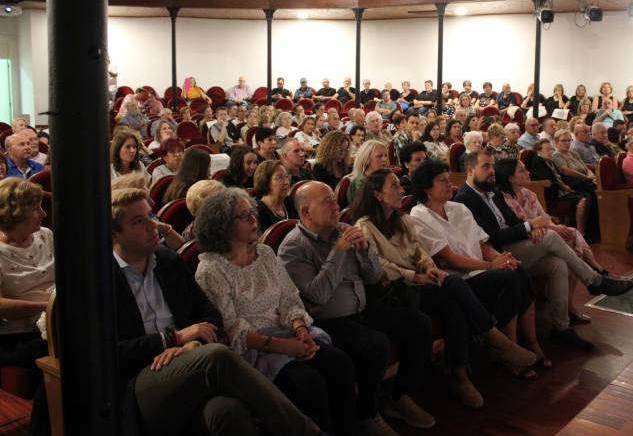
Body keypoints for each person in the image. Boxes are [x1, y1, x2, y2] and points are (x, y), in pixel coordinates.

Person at [110, 187, 320, 436]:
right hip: (141, 381)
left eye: (151, 216)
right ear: (115, 234)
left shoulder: (167, 262)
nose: (153, 226)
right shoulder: (102, 280)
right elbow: (107, 353)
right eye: (138, 221)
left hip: (190, 361)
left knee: (228, 411)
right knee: (218, 356)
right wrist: (173, 338)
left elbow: (209, 315)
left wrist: (192, 345)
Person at [352, 169, 539, 407]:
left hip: (419, 285)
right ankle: (495, 340)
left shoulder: (403, 220)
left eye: (401, 186)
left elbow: (419, 251)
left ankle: (460, 376)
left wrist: (428, 267)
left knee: (453, 305)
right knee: (453, 283)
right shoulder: (365, 226)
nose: (401, 191)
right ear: (377, 195)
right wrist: (416, 275)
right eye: (395, 186)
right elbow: (380, 266)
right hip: (395, 292)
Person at [192, 188, 355, 434]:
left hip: (288, 332)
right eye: (244, 216)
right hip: (254, 349)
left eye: (252, 213)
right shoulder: (211, 270)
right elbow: (232, 329)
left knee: (339, 363)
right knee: (308, 384)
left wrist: (300, 330)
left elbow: (289, 298)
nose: (254, 220)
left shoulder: (265, 253)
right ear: (222, 225)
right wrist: (284, 346)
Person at [279, 181, 435, 434]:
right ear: (306, 212)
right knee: (374, 344)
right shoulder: (293, 247)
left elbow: (373, 278)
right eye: (327, 202)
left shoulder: (345, 229)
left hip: (362, 310)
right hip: (328, 321)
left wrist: (364, 252)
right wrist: (339, 252)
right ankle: (366, 413)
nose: (336, 205)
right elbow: (317, 296)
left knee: (419, 324)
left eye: (334, 199)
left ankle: (398, 395)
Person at [455, 151, 633, 350]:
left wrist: (532, 228)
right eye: (485, 167)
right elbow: (490, 237)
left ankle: (561, 327)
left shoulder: (492, 191)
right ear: (470, 171)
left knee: (557, 265)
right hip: (496, 252)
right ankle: (593, 280)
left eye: (492, 166)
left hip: (515, 243)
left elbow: (512, 221)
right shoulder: (465, 198)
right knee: (551, 237)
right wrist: (529, 227)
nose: (491, 172)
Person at [409, 160, 550, 363]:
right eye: (442, 181)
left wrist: (499, 257)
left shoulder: (458, 208)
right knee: (508, 279)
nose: (450, 184)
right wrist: (491, 265)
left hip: (481, 269)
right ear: (426, 189)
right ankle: (507, 348)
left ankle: (527, 343)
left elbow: (482, 244)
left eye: (449, 180)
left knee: (519, 270)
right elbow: (451, 259)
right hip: (461, 278)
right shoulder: (419, 216)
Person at [494, 159, 608, 324]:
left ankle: (562, 320)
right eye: (522, 170)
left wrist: (553, 226)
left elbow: (544, 218)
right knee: (566, 240)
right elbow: (522, 226)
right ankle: (594, 276)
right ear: (510, 178)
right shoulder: (502, 199)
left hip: (541, 237)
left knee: (563, 256)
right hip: (521, 245)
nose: (528, 173)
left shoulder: (529, 194)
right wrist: (545, 228)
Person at [0, 178, 53, 435]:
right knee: (63, 355)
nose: (44, 213)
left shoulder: (46, 235)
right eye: (37, 208)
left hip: (55, 322)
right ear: (17, 213)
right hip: (17, 335)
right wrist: (47, 306)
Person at [524, 140, 590, 236]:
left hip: (559, 191)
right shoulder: (538, 161)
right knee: (582, 200)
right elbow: (548, 179)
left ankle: (577, 228)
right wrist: (562, 186)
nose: (551, 152)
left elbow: (558, 177)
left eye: (551, 149)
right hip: (550, 195)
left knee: (587, 195)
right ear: (539, 151)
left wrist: (565, 185)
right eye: (547, 149)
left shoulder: (549, 161)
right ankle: (580, 231)